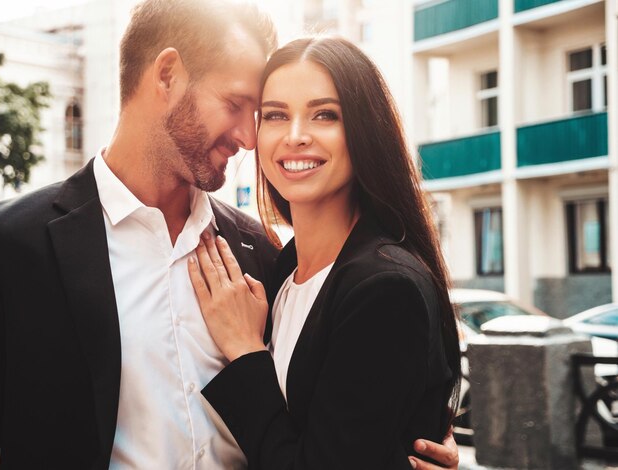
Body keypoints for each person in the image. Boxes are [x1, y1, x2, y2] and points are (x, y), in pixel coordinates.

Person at [0, 0, 458, 468]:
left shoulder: (262, 254)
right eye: (239, 105)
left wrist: (404, 445)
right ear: (168, 74)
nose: (250, 138)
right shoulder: (13, 246)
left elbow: (330, 417)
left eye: (258, 113)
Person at [188, 36, 462, 470]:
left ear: (364, 130)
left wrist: (244, 351)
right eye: (276, 114)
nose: (295, 136)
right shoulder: (281, 269)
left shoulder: (386, 288)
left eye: (324, 114)